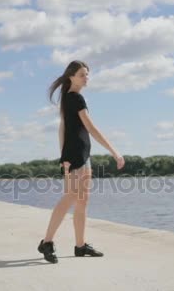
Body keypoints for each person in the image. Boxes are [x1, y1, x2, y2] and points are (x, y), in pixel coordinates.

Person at [38, 60, 125, 264]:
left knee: (82, 200)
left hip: (83, 154)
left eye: (87, 74)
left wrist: (63, 154)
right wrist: (115, 152)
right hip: (75, 155)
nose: (86, 78)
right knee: (70, 197)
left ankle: (80, 245)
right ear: (71, 77)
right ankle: (47, 242)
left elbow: (63, 128)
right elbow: (92, 129)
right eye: (82, 75)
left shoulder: (68, 99)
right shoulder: (75, 98)